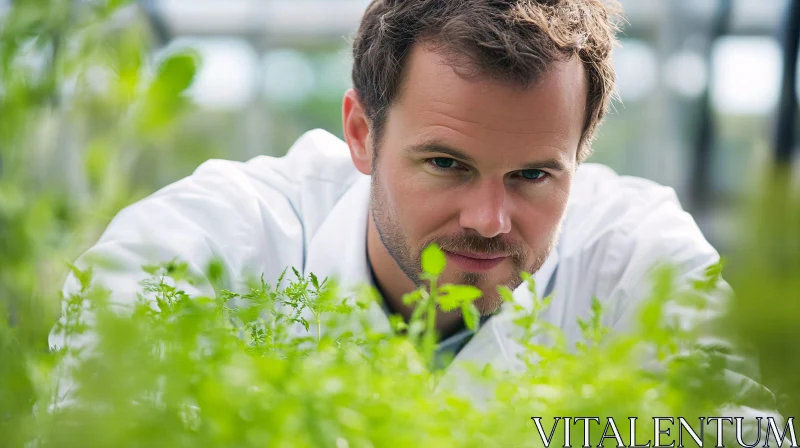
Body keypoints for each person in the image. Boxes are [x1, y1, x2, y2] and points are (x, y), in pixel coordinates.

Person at [50, 0, 774, 412]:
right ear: (362, 134)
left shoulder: (635, 255)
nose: (489, 219)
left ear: (579, 158)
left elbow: (741, 425)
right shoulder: (212, 239)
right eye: (446, 164)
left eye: (531, 175)